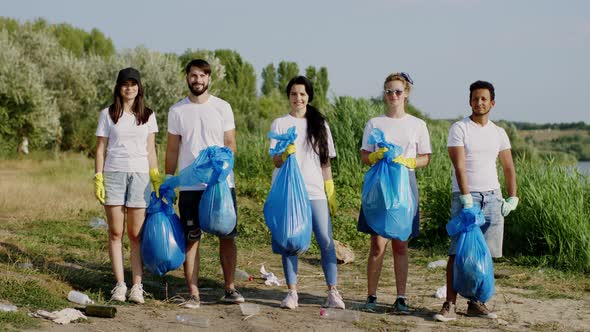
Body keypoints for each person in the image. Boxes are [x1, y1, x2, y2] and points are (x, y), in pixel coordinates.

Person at [434, 80, 518, 322]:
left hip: (493, 197)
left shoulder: (499, 132)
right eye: (475, 98)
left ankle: (476, 303)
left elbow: (509, 167)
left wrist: (513, 197)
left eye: (484, 99)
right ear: (469, 101)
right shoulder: (460, 128)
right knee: (457, 251)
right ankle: (449, 304)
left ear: (492, 102)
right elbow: (459, 165)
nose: (479, 102)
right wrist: (466, 197)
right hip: (466, 198)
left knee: (485, 254)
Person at [165, 59, 243, 309]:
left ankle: (230, 289)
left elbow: (230, 142)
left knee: (227, 236)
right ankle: (193, 294)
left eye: (202, 76)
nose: (197, 80)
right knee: (192, 238)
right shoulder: (177, 111)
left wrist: (224, 165)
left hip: (220, 185)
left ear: (209, 78)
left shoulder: (223, 107)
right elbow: (172, 149)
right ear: (187, 78)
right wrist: (168, 179)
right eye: (193, 75)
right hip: (190, 186)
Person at [357, 72, 432, 313]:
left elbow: (426, 158)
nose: (393, 96)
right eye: (389, 91)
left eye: (398, 91)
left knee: (401, 244)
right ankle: (371, 296)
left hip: (404, 184)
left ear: (406, 93)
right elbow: (364, 155)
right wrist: (376, 156)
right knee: (377, 244)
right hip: (379, 184)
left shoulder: (417, 125)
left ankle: (401, 297)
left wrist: (409, 162)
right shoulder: (374, 123)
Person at [269, 76, 344, 310]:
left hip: (314, 191)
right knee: (290, 241)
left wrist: (329, 189)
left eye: (302, 94)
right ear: (288, 96)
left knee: (325, 241)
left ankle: (333, 291)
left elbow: (325, 162)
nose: (298, 98)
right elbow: (275, 161)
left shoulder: (320, 124)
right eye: (293, 94)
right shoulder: (280, 124)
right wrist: (285, 152)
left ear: (309, 96)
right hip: (289, 192)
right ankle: (292, 293)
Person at [94, 67, 160, 304]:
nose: (129, 87)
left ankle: (137, 286)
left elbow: (151, 149)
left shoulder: (148, 115)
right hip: (113, 174)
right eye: (125, 84)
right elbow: (101, 149)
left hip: (140, 176)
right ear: (118, 88)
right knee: (115, 232)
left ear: (139, 87)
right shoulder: (108, 114)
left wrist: (156, 177)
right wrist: (98, 177)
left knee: (135, 235)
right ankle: (120, 285)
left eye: (133, 84)